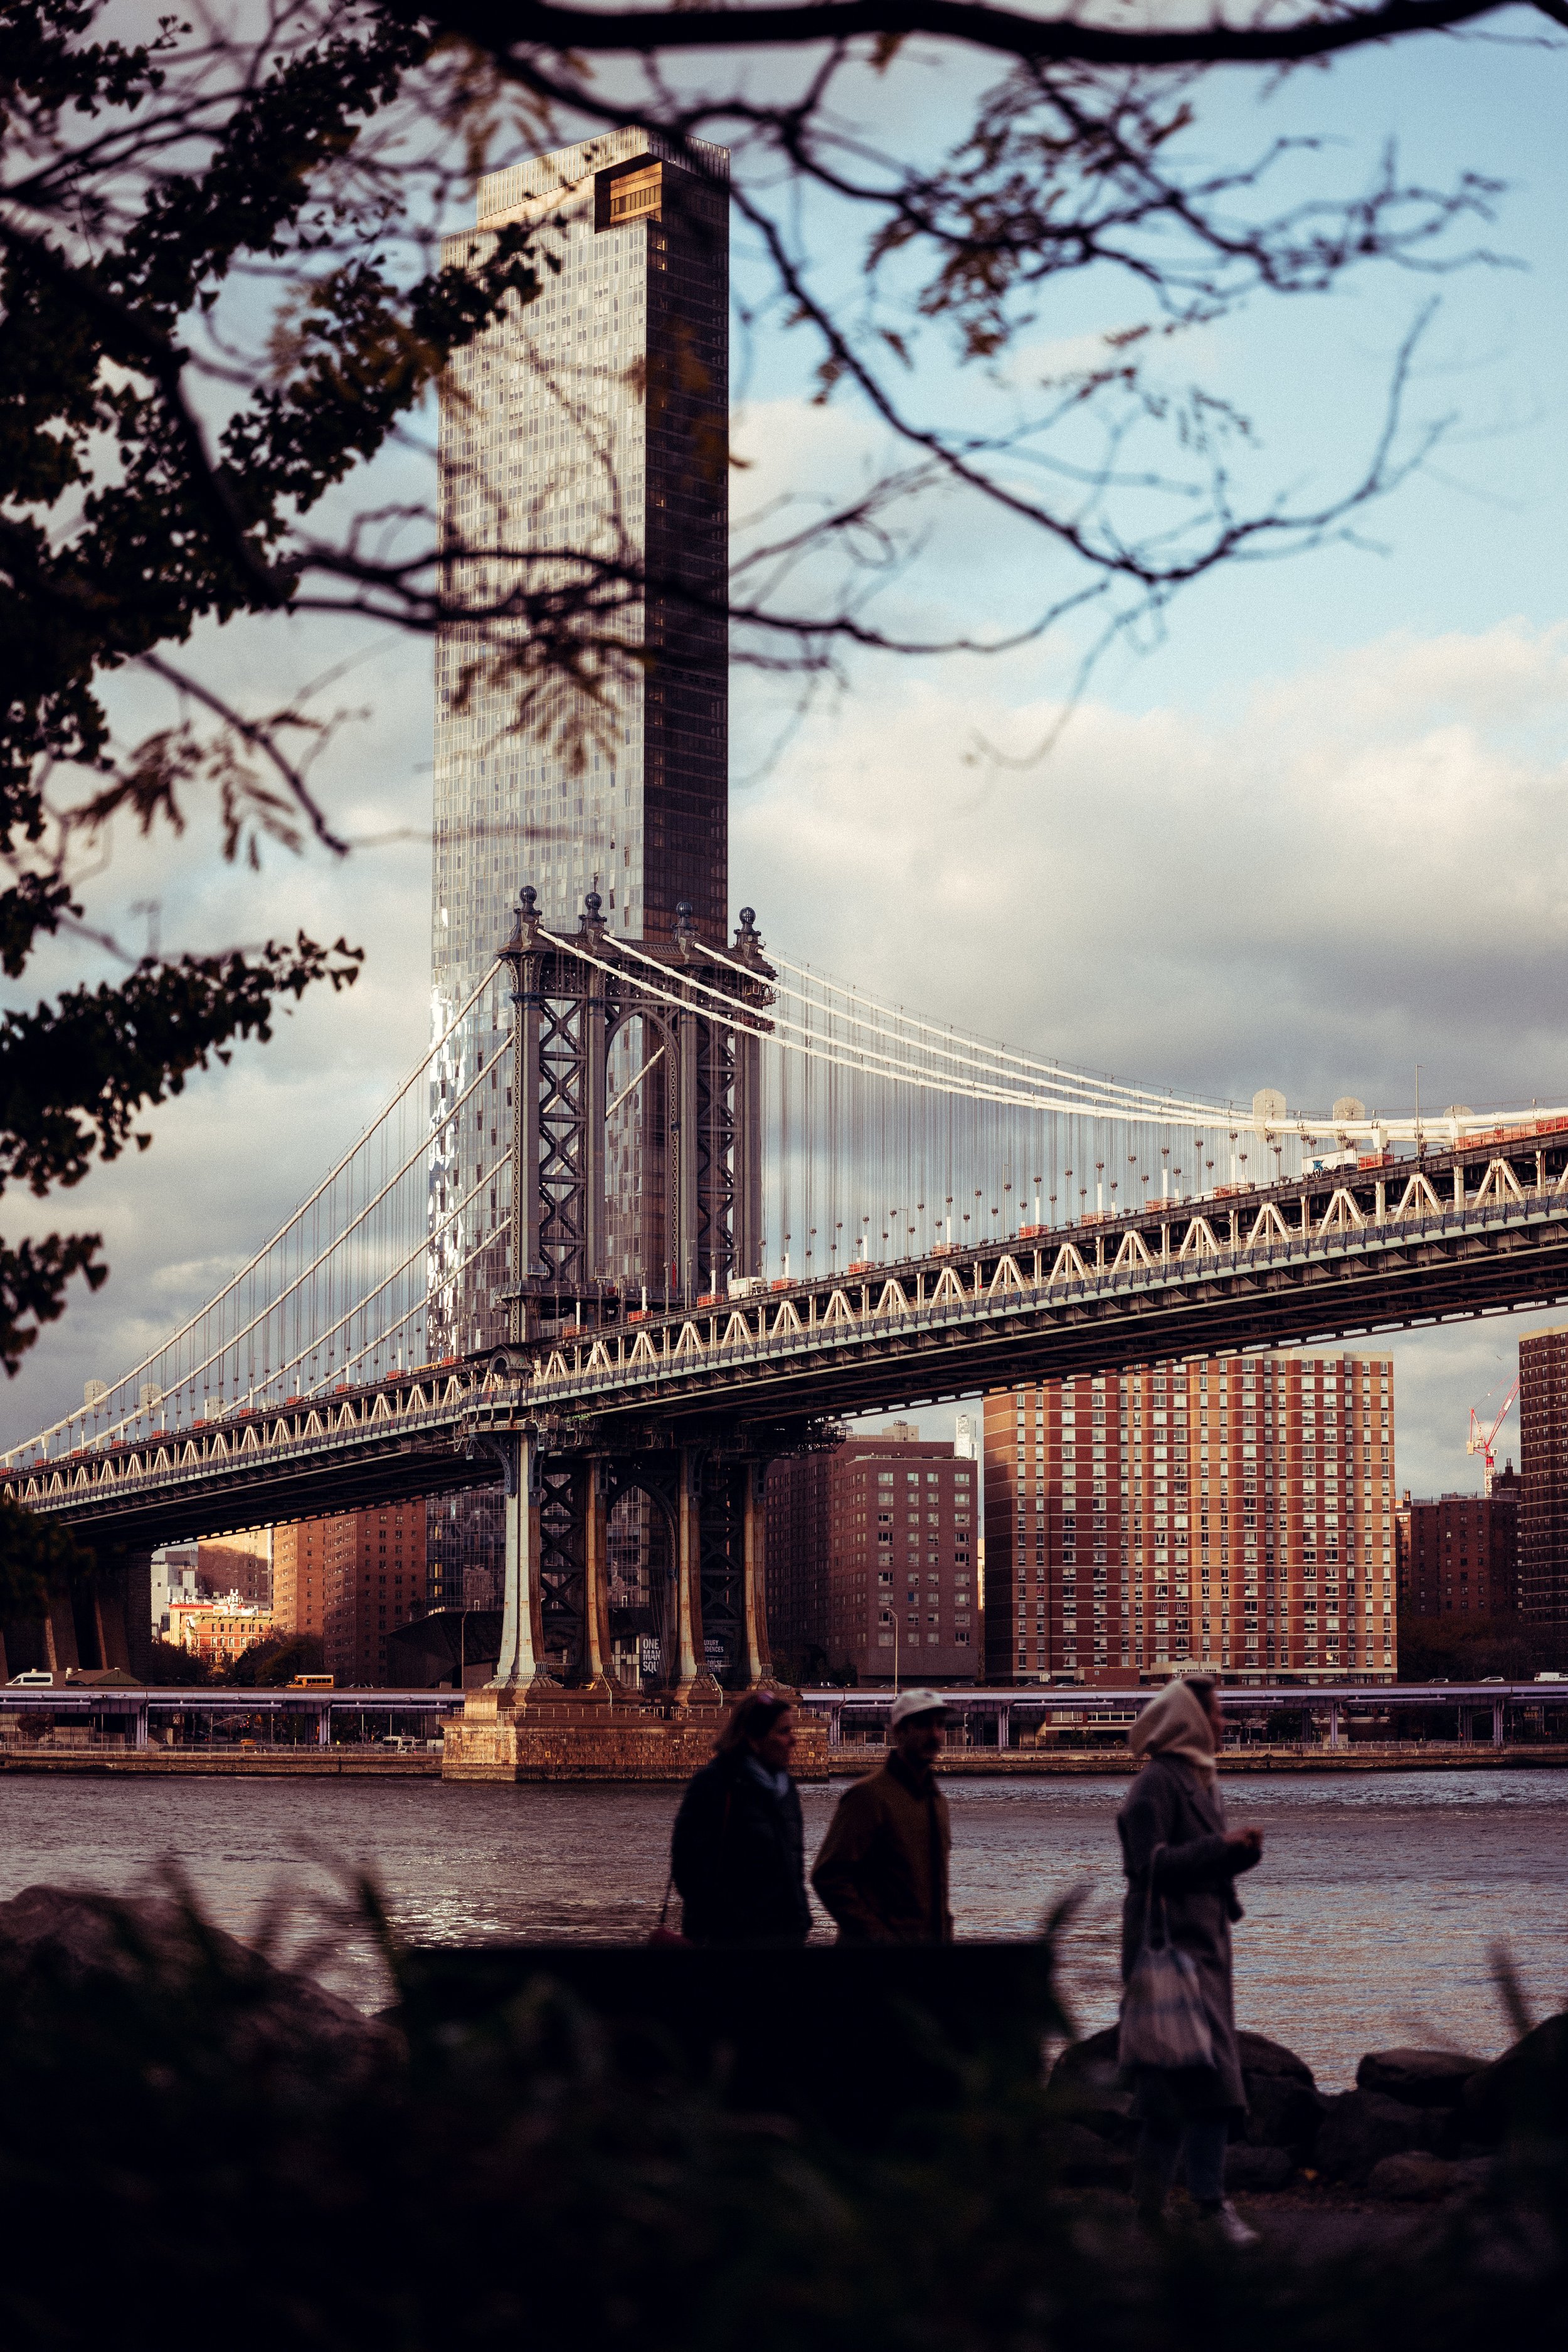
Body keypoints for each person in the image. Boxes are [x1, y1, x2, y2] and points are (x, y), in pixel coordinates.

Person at [1117, 1674, 1264, 2245]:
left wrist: (1237, 1860)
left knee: (1187, 2089)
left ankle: (1160, 2211)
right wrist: (1222, 1848)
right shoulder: (1156, 1785)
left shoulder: (1199, 1781)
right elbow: (1145, 1865)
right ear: (1193, 1722)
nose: (1224, 1724)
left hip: (1202, 1951)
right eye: (1217, 1715)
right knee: (1195, 2087)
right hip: (1170, 1956)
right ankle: (1204, 2206)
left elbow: (1192, 1863)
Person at [668, 1690, 812, 1946]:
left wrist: (800, 1921)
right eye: (784, 1731)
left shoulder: (786, 1788)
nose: (794, 1740)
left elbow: (794, 1864)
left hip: (784, 1938)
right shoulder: (715, 1784)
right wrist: (730, 1924)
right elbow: (688, 1869)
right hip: (731, 1944)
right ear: (754, 1738)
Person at [811, 1688, 953, 1942]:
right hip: (875, 1969)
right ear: (899, 1732)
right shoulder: (867, 1797)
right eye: (922, 1725)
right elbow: (829, 1876)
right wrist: (879, 1938)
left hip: (927, 1965)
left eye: (940, 1725)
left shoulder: (937, 1801)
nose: (935, 1734)